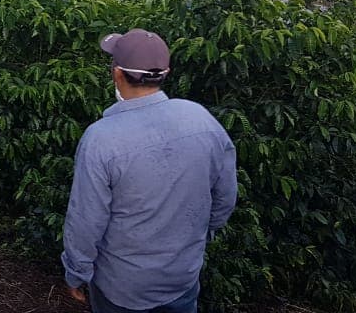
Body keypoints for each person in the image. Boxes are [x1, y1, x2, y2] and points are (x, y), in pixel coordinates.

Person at [61, 29, 238, 313]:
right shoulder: (200, 118)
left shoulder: (101, 139)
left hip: (122, 287)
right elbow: (225, 197)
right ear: (165, 72)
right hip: (182, 278)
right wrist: (196, 238)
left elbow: (86, 219)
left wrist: (76, 272)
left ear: (117, 74)